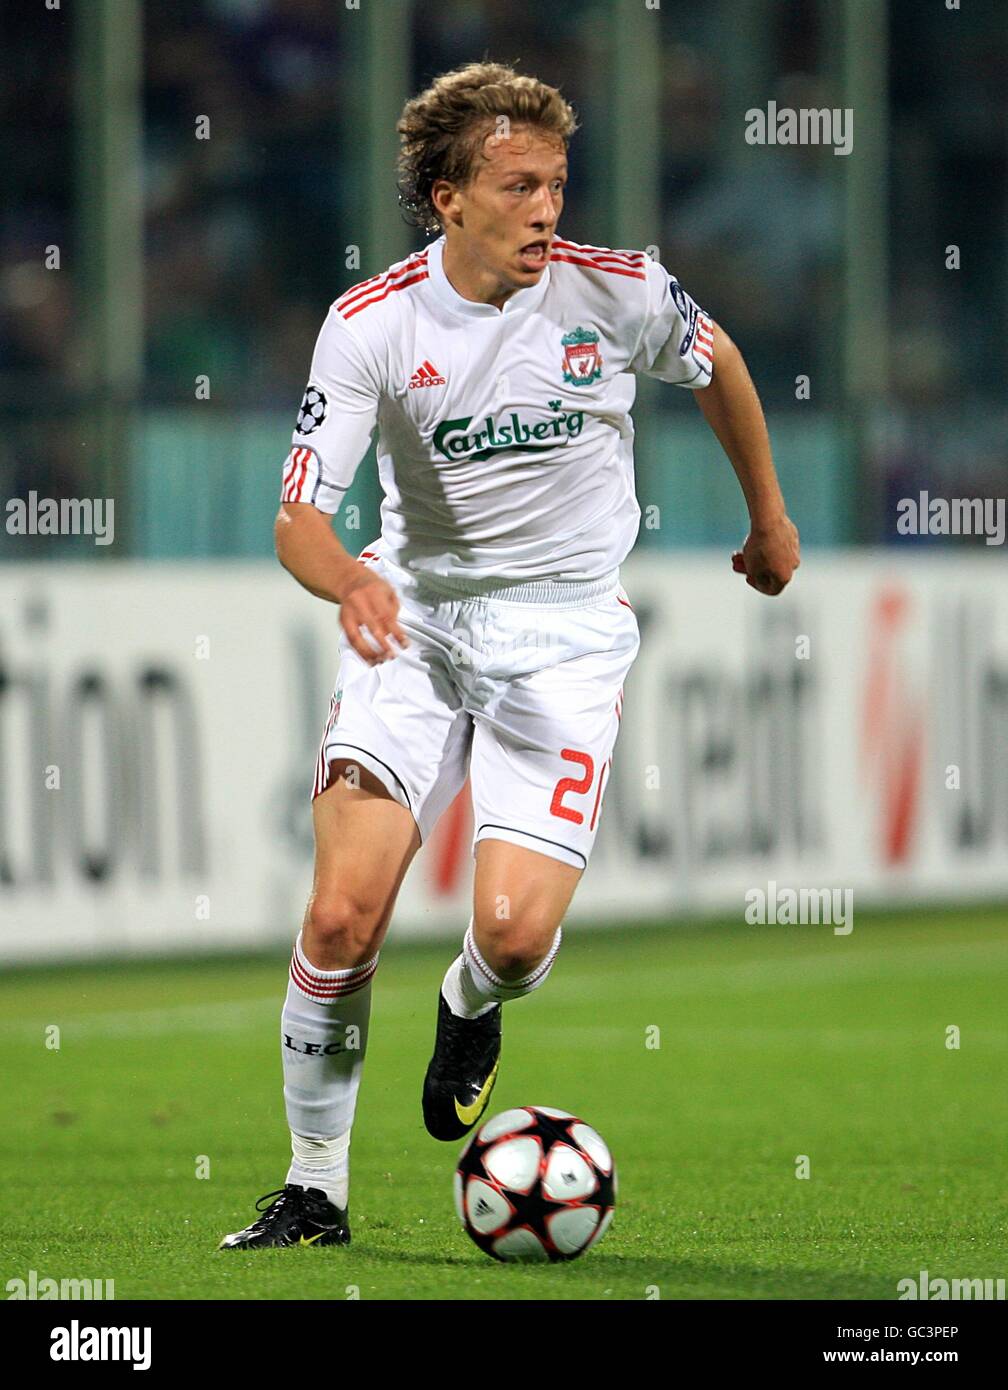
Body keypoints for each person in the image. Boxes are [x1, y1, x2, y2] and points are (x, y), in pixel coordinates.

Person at [219, 61, 799, 1251]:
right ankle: (313, 1186)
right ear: (447, 198)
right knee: (339, 918)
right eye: (520, 185)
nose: (548, 208)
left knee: (518, 937)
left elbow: (724, 364)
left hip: (567, 640)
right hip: (419, 626)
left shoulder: (618, 293)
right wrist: (353, 579)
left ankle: (470, 1002)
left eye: (558, 184)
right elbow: (299, 522)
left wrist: (770, 520)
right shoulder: (371, 324)